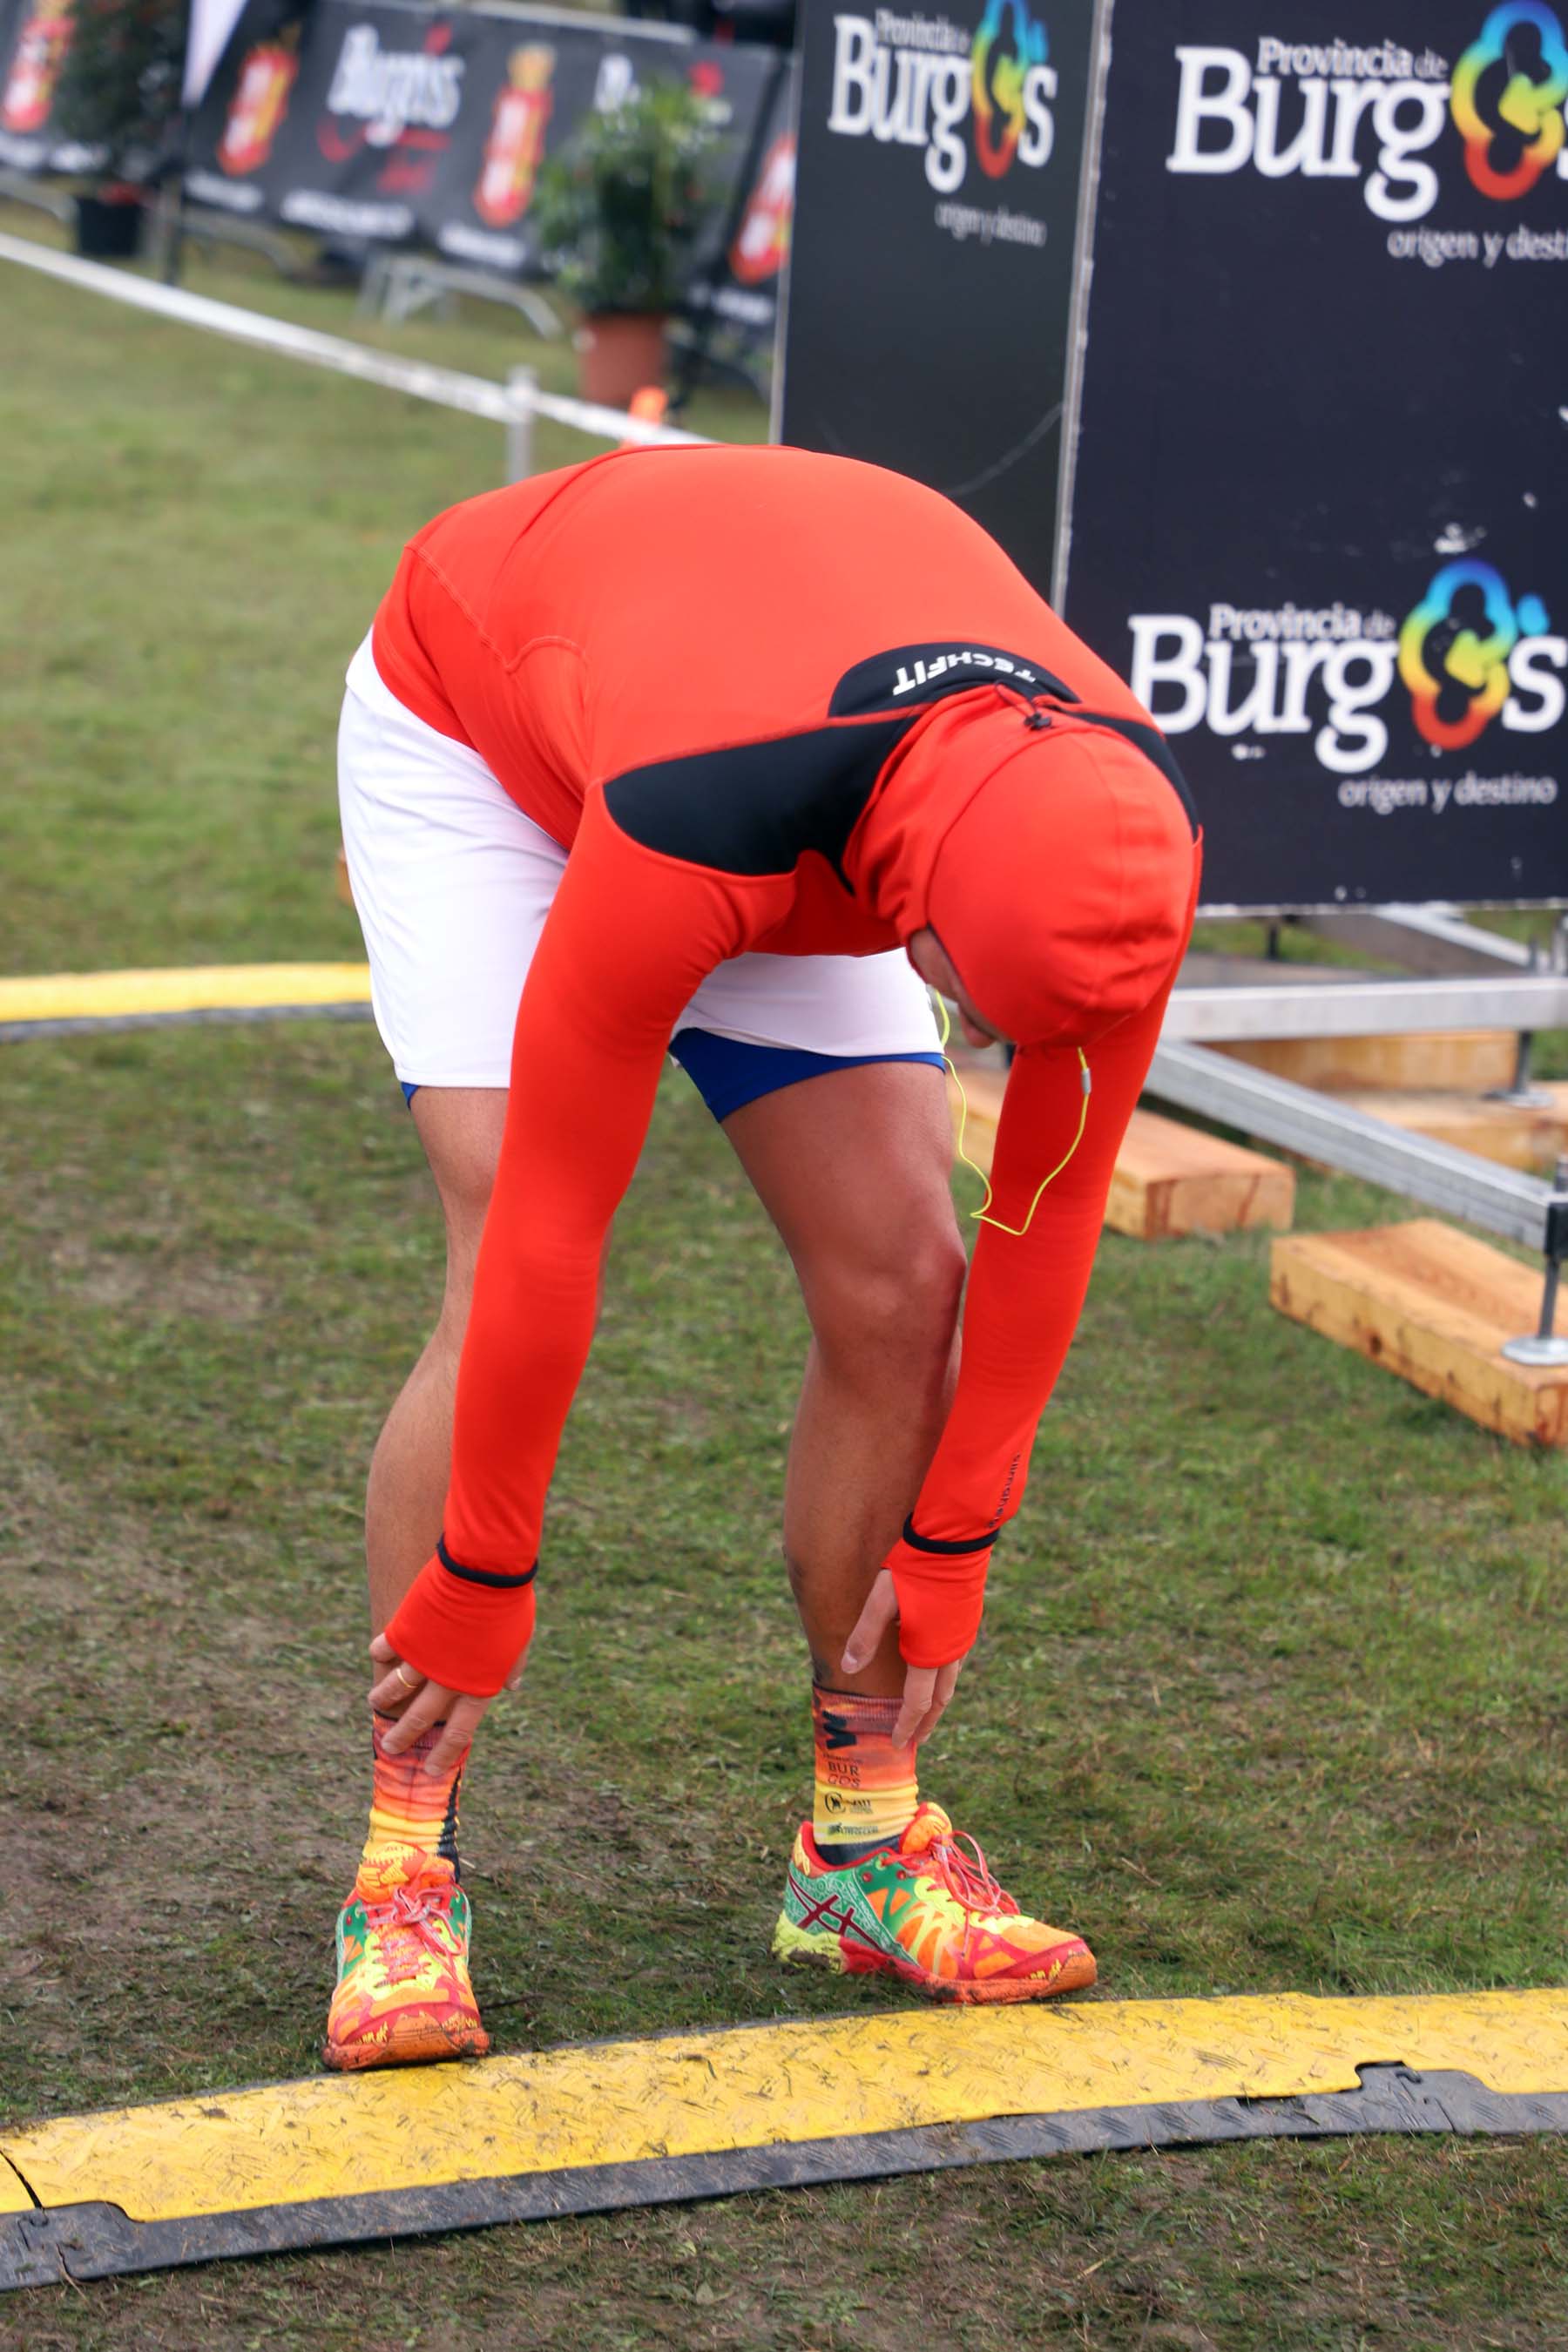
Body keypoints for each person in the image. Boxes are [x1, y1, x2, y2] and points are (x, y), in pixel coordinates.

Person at [325, 444, 1200, 2070]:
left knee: (903, 1276)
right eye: (984, 1016)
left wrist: (960, 1538)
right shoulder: (695, 807)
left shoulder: (1117, 832)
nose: (1002, 1047)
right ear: (925, 926)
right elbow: (555, 1229)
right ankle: (403, 1868)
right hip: (501, 734)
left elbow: (1045, 1212)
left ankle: (860, 1850)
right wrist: (490, 1571)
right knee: (496, 1203)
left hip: (816, 761)